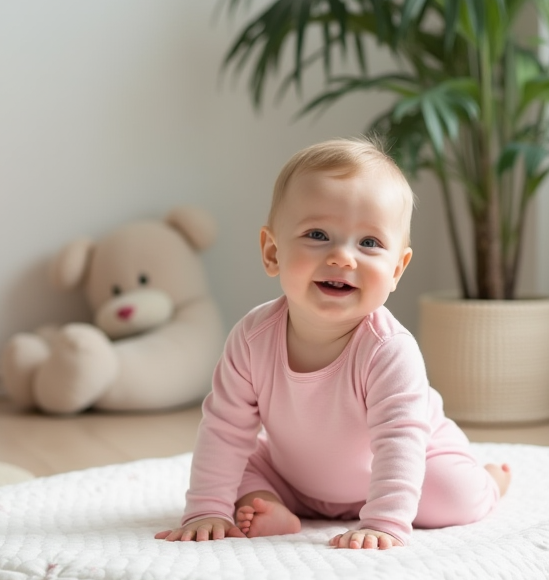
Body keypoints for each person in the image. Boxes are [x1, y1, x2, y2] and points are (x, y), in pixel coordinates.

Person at [155, 137, 510, 550]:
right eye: (318, 234)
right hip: (294, 477)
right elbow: (225, 429)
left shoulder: (388, 350)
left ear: (396, 270)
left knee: (453, 495)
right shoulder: (252, 340)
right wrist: (207, 510)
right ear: (272, 252)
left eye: (369, 243)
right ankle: (273, 506)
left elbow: (400, 442)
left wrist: (384, 522)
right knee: (236, 469)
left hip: (407, 464)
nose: (343, 257)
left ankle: (490, 482)